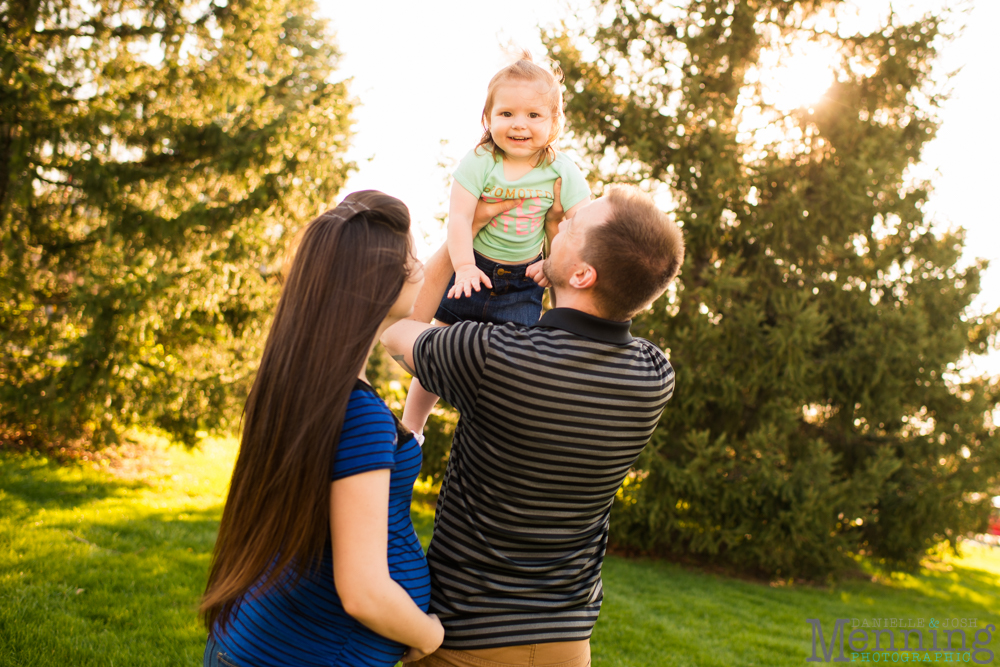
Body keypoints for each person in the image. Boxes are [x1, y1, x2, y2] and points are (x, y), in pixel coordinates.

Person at [382, 184, 685, 667]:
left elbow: (396, 333)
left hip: (468, 641)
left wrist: (465, 236)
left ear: (584, 274)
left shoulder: (495, 356)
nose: (558, 222)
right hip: (568, 645)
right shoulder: (653, 374)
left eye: (570, 227)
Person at [200, 191, 444, 667]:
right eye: (409, 258)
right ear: (375, 285)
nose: (418, 268)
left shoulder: (302, 383)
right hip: (307, 653)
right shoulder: (357, 413)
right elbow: (364, 593)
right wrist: (428, 634)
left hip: (255, 642)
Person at [401, 52, 592, 437]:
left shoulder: (562, 170)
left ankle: (493, 433)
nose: (519, 124)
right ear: (488, 119)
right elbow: (459, 219)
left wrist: (552, 265)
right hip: (473, 270)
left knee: (514, 362)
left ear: (555, 122)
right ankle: (411, 429)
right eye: (506, 114)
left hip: (523, 283)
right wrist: (465, 265)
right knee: (436, 347)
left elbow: (581, 228)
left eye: (533, 115)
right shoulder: (479, 162)